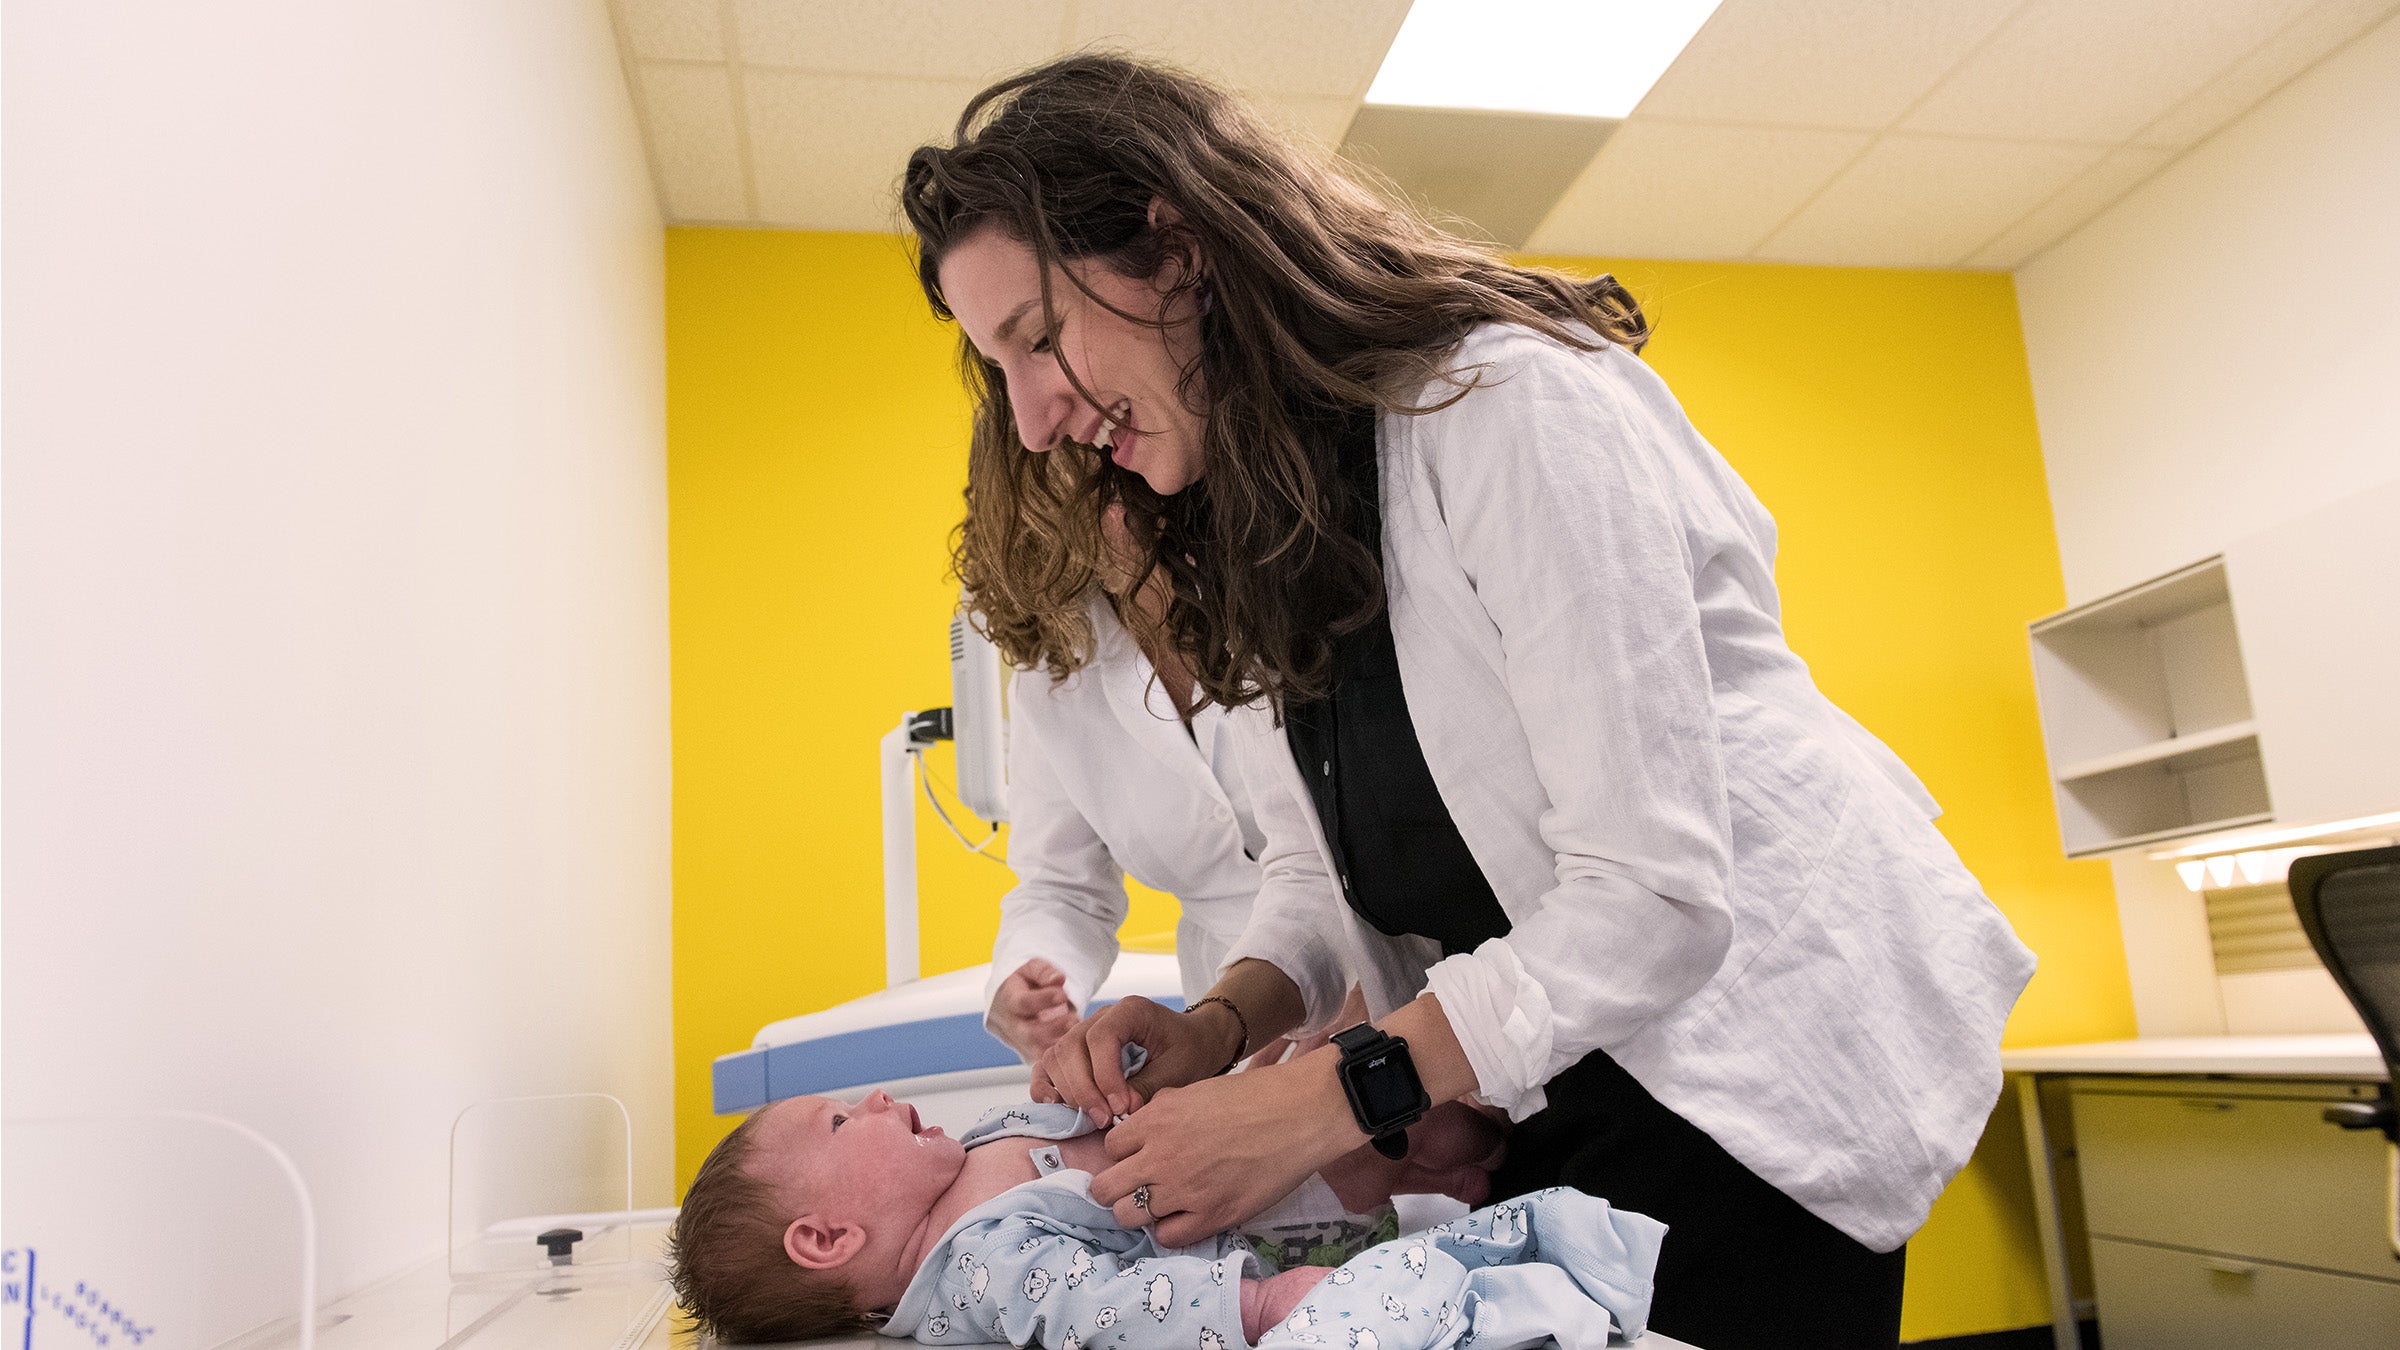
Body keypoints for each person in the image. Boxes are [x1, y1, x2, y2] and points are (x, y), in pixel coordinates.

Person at [900, 54, 2038, 1350]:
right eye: (1002, 371)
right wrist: (1221, 1024)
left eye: (1038, 339)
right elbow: (1318, 871)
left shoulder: (1507, 404)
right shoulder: (1277, 520)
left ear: (1178, 249)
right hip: (1562, 1058)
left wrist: (1332, 1096)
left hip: (1747, 1046)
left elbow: (1652, 894)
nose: (1035, 421)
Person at [665, 1084, 1591, 1347]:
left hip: (1226, 1135)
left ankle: (1456, 1141)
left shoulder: (970, 1160)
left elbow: (1080, 1125)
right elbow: (1109, 1308)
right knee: (1410, 1140)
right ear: (828, 1240)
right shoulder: (980, 1265)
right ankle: (1457, 1167)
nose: (871, 1098)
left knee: (1339, 1069)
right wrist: (1258, 1310)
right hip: (1264, 1213)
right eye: (838, 1121)